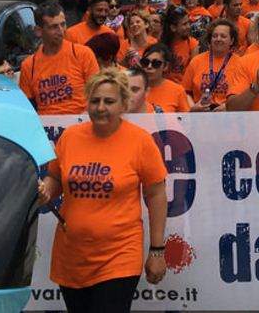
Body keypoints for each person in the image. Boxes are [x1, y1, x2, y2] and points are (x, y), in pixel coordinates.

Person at [37, 69, 168, 312]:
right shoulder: (70, 137)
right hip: (72, 256)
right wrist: (44, 190)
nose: (100, 107)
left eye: (109, 101)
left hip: (119, 256)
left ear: (123, 104)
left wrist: (157, 251)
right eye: (95, 100)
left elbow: (156, 195)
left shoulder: (140, 141)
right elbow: (55, 178)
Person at [19, 3, 99, 115]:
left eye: (63, 24)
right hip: (47, 128)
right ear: (38, 31)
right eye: (53, 27)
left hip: (81, 124)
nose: (61, 30)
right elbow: (28, 110)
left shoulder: (82, 54)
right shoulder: (28, 66)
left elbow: (98, 94)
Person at [184, 20, 239, 110]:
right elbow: (186, 92)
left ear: (232, 41)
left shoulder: (240, 63)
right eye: (214, 36)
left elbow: (242, 94)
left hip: (228, 116)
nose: (218, 39)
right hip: (200, 115)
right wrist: (194, 108)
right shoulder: (196, 61)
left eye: (223, 36)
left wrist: (227, 107)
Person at [138, 43, 191, 112]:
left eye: (156, 63)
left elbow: (186, 120)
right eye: (145, 62)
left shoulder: (177, 91)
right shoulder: (133, 88)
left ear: (165, 66)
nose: (149, 66)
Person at [159, 7, 199, 88]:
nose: (188, 27)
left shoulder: (192, 43)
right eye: (184, 24)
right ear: (173, 28)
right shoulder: (161, 43)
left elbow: (194, 72)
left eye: (188, 23)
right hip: (164, 87)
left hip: (183, 89)